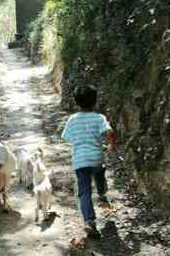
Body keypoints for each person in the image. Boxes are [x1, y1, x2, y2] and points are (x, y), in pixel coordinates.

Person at [61, 84, 117, 238]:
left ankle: (89, 222)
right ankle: (102, 194)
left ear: (76, 102)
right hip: (96, 157)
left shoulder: (72, 119)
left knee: (84, 191)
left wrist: (79, 140)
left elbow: (66, 137)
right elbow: (109, 132)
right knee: (99, 174)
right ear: (95, 101)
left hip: (80, 160)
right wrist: (111, 144)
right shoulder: (99, 118)